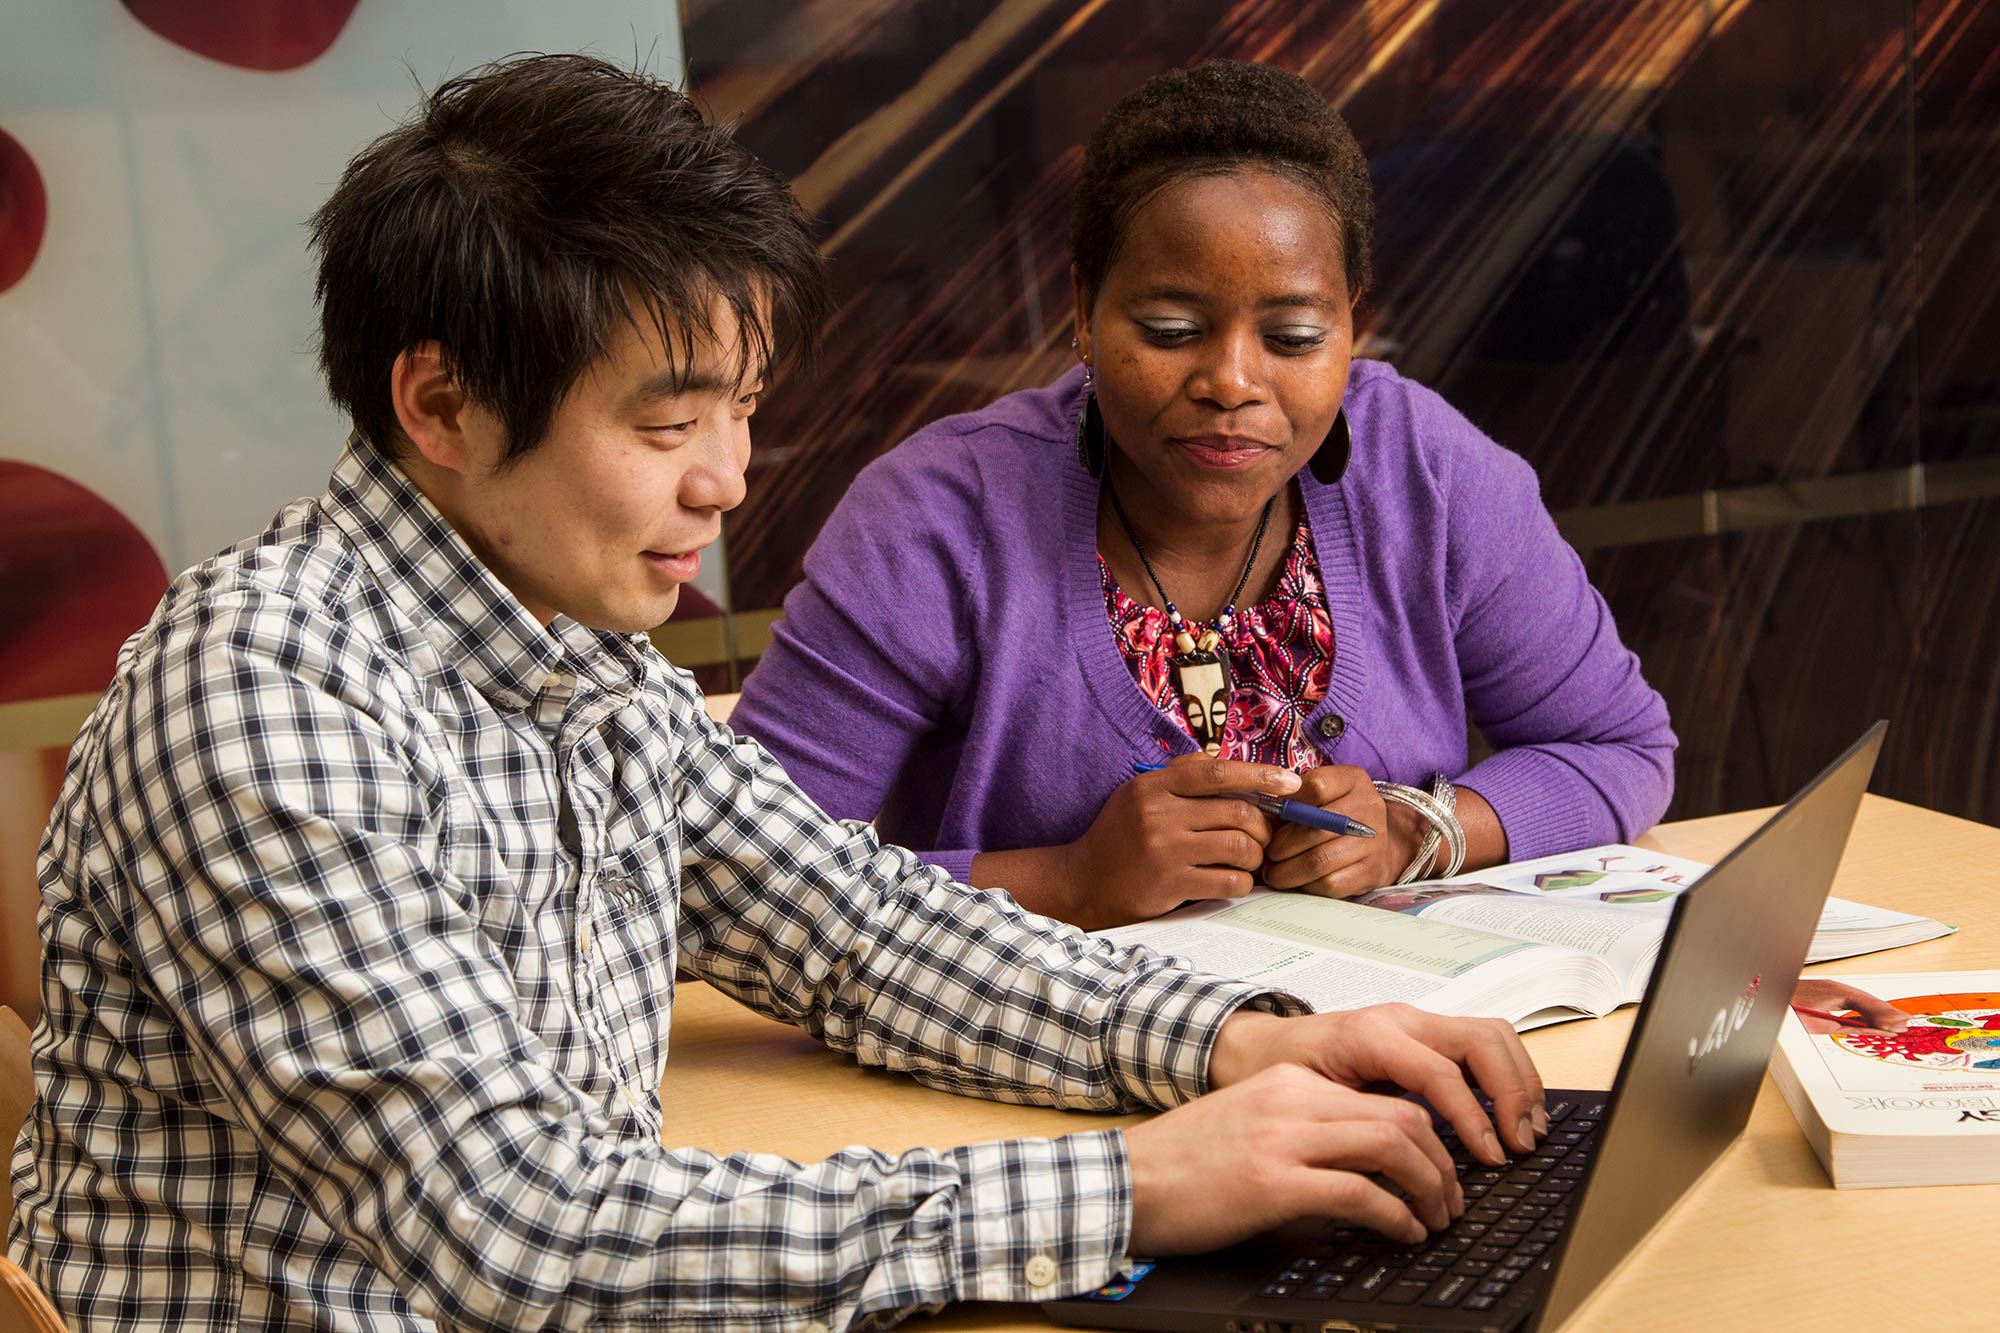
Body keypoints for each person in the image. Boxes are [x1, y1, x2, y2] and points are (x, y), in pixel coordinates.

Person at [7, 55, 1548, 1333]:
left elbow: (860, 932)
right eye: (669, 421)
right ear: (441, 404)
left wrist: (1241, 1041)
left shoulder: (581, 657)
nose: (726, 482)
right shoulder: (267, 698)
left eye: (740, 411)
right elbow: (521, 1231)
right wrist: (1142, 1185)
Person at [731, 60, 1679, 929]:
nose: (1232, 380)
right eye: (1172, 326)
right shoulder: (938, 520)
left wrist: (1414, 832)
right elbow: (742, 878)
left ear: (1358, 325)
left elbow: (1620, 747)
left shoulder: (1423, 472)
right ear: (1082, 314)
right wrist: (1067, 881)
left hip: (1365, 1051)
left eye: (1296, 337)